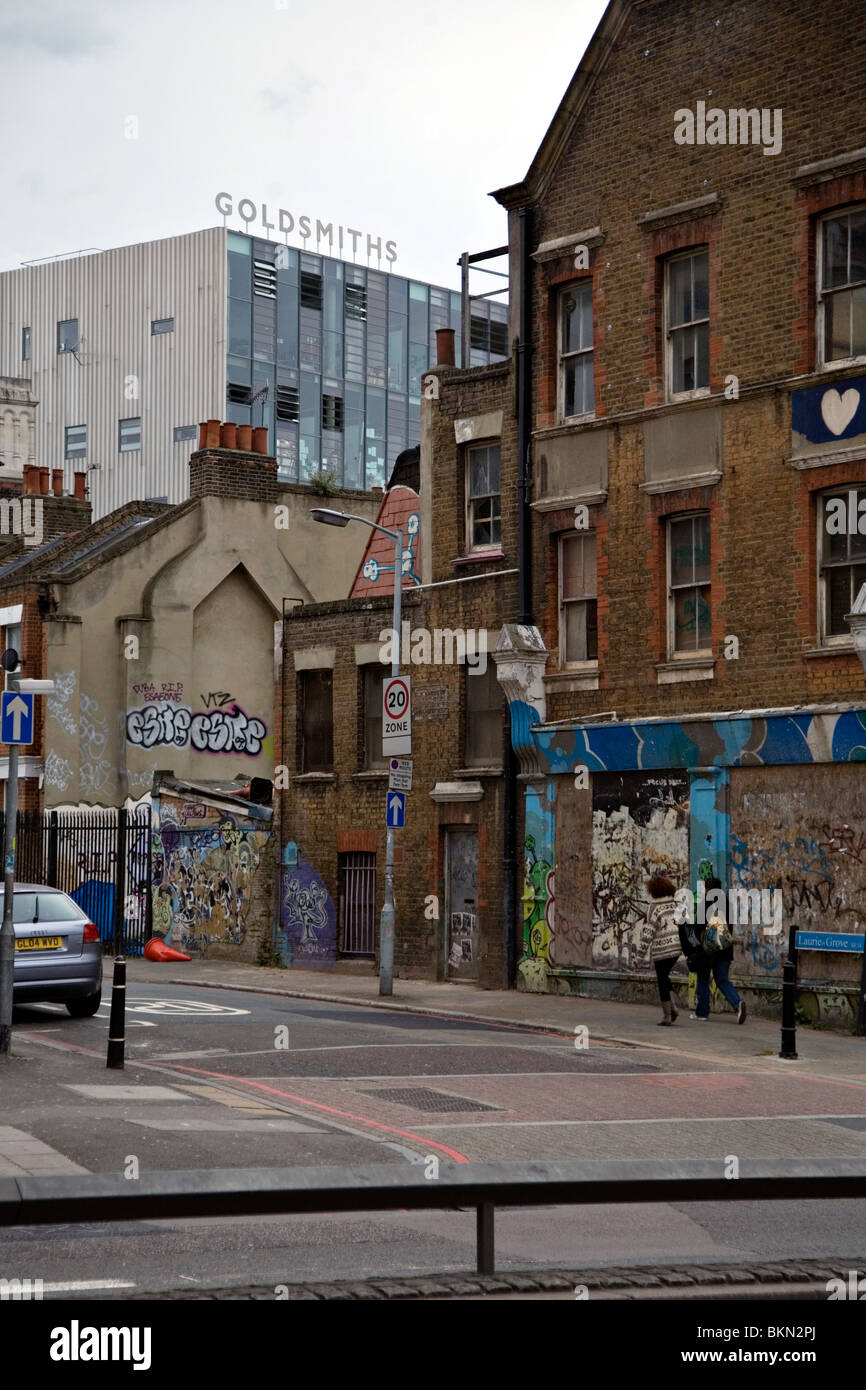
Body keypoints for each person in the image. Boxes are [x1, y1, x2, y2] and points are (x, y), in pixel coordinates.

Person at [687, 876, 747, 1024]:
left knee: (703, 979)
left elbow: (697, 927)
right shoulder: (727, 904)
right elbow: (730, 927)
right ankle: (737, 1003)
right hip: (724, 949)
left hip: (707, 951)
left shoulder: (705, 904)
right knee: (722, 980)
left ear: (707, 889)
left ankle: (702, 1013)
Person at [641, 874, 683, 1025]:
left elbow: (648, 932)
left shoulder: (654, 907)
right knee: (664, 976)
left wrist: (640, 954)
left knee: (662, 979)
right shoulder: (675, 904)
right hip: (677, 948)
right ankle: (672, 1008)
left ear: (653, 890)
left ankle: (668, 1014)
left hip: (662, 949)